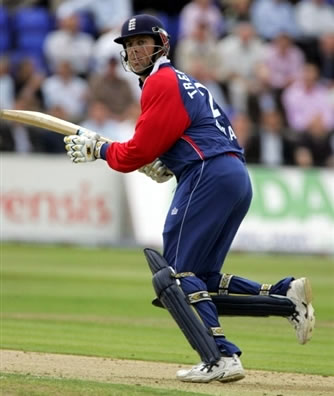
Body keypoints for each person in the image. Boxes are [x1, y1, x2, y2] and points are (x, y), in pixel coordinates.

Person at [62, 14, 315, 383]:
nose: (135, 52)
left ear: (161, 44)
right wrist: (165, 160)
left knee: (176, 278)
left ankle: (221, 356)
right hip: (231, 175)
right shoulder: (183, 81)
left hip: (207, 174)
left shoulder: (160, 82)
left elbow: (133, 152)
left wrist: (99, 148)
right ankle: (283, 296)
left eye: (142, 43)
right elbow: (184, 135)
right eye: (130, 46)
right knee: (203, 279)